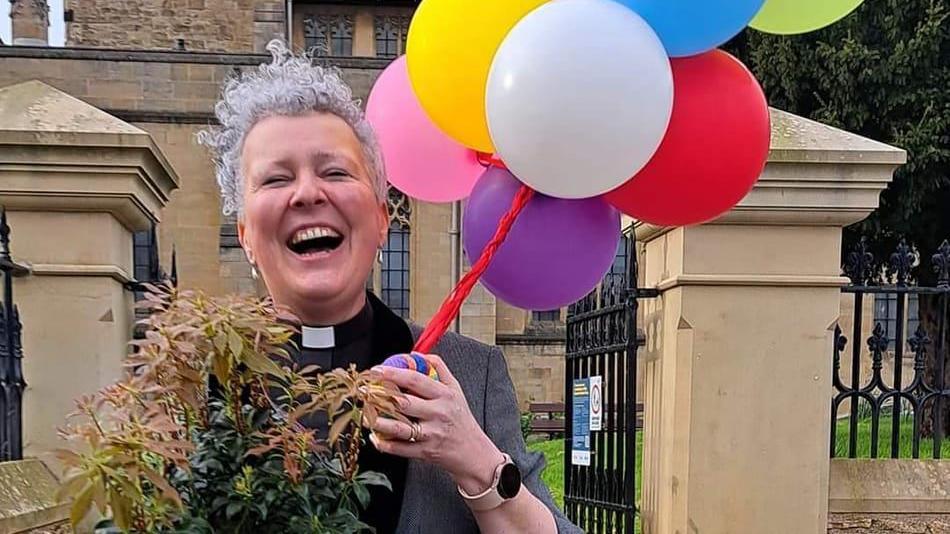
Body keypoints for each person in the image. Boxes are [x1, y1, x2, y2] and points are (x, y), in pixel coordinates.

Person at [197, 40, 581, 534]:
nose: (308, 192)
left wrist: (475, 459)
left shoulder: (470, 374)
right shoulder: (188, 388)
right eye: (275, 179)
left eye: (335, 171)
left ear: (381, 220)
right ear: (246, 236)